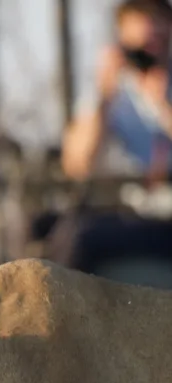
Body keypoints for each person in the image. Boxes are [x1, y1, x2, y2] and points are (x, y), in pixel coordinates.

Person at [43, 0, 172, 284]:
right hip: (127, 214)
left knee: (83, 239)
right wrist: (104, 95)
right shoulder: (112, 96)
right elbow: (77, 165)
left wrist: (161, 106)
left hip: (165, 220)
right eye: (140, 46)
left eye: (159, 42)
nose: (150, 53)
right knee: (46, 230)